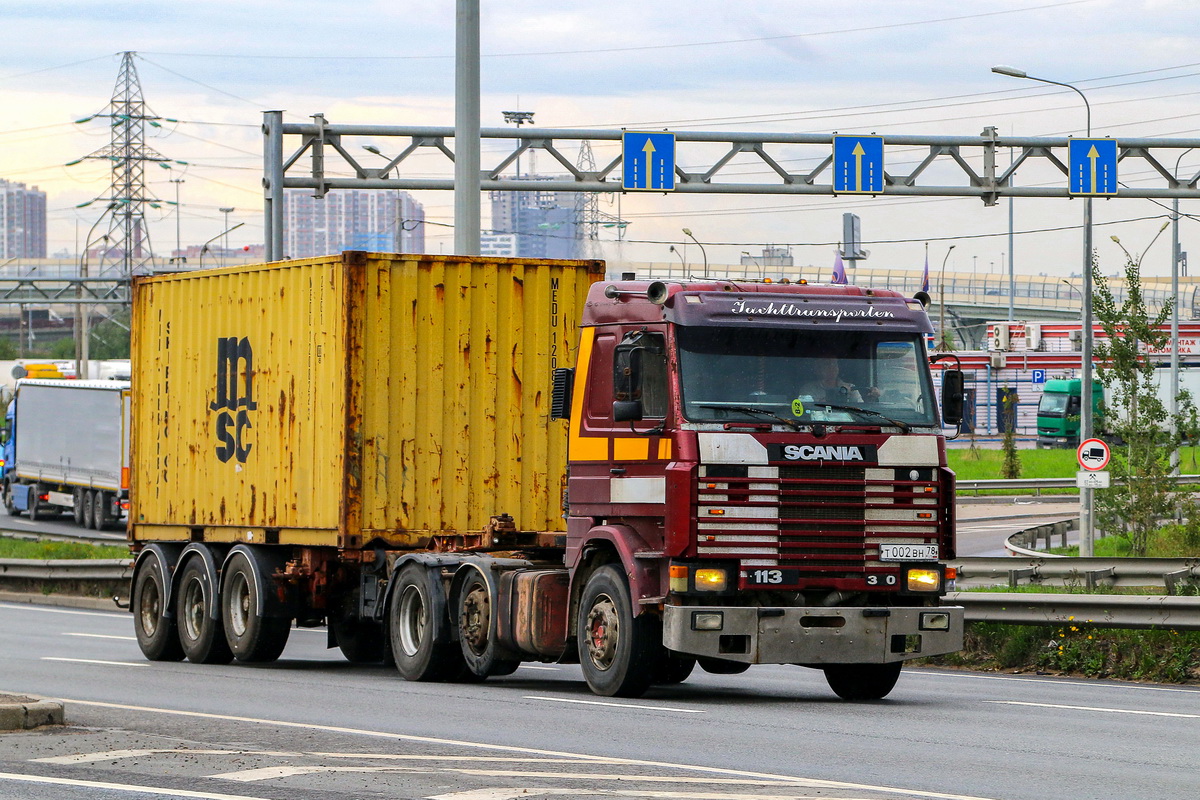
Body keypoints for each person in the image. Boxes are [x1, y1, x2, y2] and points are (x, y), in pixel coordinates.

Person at [801, 357, 880, 403]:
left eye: (834, 364)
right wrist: (839, 393)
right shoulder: (808, 389)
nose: (832, 367)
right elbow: (808, 409)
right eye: (827, 364)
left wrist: (871, 398)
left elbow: (859, 408)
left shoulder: (851, 387)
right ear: (817, 369)